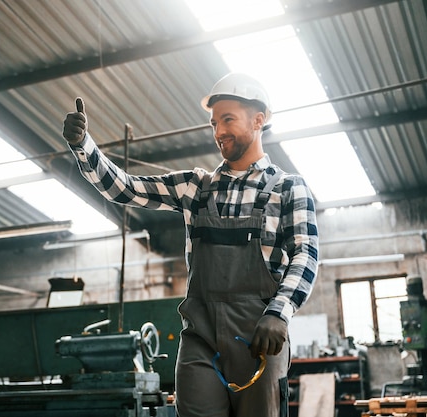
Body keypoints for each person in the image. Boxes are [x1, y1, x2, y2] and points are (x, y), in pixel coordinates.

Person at [62, 72, 319, 417]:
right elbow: (125, 188)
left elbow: (305, 255)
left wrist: (279, 312)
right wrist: (84, 147)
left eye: (228, 120)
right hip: (201, 338)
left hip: (259, 337)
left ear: (259, 120)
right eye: (214, 123)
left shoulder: (288, 188)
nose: (218, 132)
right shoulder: (194, 187)